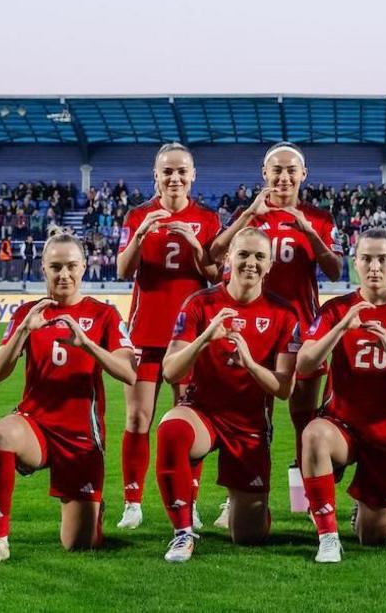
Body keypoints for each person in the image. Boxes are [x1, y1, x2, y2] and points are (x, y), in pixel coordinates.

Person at [0, 233, 136, 565]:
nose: (64, 275)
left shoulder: (103, 314)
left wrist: (87, 344)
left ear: (85, 267)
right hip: (37, 427)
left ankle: (93, 508)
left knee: (79, 544)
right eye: (56, 267)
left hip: (81, 438)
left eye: (72, 266)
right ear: (42, 269)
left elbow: (129, 373)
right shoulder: (27, 313)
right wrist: (23, 331)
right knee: (2, 434)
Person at [210, 142, 342, 527]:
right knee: (250, 419)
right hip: (254, 329)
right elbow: (216, 254)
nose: (283, 177)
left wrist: (308, 232)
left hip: (302, 330)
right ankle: (240, 495)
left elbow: (334, 270)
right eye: (276, 170)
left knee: (304, 416)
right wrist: (248, 214)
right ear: (264, 174)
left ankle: (310, 497)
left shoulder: (319, 217)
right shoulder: (248, 216)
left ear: (303, 175)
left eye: (290, 171)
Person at [296, 228, 386, 563]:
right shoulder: (337, 309)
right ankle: (328, 537)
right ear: (355, 263)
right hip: (341, 426)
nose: (374, 266)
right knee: (313, 434)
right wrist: (341, 328)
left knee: (373, 537)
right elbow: (304, 363)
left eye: (381, 259)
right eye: (367, 259)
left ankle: (361, 511)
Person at [155, 228, 298, 562]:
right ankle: (182, 533)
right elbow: (170, 371)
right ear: (229, 258)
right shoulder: (200, 303)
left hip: (249, 425)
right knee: (172, 428)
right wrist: (205, 337)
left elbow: (284, 388)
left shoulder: (284, 313)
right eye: (243, 254)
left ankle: (245, 506)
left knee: (247, 536)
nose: (250, 262)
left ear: (270, 264)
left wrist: (249, 362)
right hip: (202, 413)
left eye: (259, 256)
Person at [115, 143, 221, 530]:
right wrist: (141, 235)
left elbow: (214, 275)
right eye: (167, 172)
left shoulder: (207, 219)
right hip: (145, 335)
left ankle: (189, 501)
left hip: (187, 339)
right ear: (155, 176)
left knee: (185, 418)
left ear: (193, 176)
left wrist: (195, 246)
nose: (174, 178)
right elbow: (123, 270)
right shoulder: (138, 216)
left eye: (181, 172)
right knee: (138, 417)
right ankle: (132, 502)